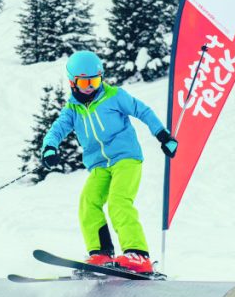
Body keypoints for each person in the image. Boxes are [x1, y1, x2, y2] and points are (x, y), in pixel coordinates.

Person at [40, 50, 178, 274]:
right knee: (88, 201)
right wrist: (49, 148)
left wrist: (163, 135)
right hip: (99, 166)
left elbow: (142, 111)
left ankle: (138, 254)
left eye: (95, 80)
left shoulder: (114, 96)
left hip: (126, 159)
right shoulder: (72, 110)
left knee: (118, 201)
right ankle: (101, 253)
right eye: (85, 81)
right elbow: (57, 130)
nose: (91, 86)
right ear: (72, 82)